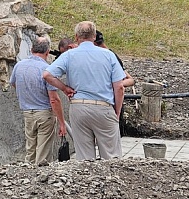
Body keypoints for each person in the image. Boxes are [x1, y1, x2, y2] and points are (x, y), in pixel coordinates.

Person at [42, 21, 127, 160]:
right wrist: (116, 112)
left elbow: (47, 75)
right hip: (103, 107)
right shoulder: (108, 55)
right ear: (94, 36)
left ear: (76, 37)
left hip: (79, 106)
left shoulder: (69, 55)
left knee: (84, 159)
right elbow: (119, 87)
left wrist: (64, 88)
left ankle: (89, 181)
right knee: (112, 158)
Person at [10, 36, 68, 166]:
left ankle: (27, 175)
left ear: (31, 49)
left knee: (30, 149)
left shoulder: (19, 66)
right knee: (43, 153)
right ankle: (41, 179)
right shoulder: (47, 69)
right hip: (44, 114)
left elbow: (14, 84)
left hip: (27, 113)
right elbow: (54, 99)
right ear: (47, 52)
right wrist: (62, 123)